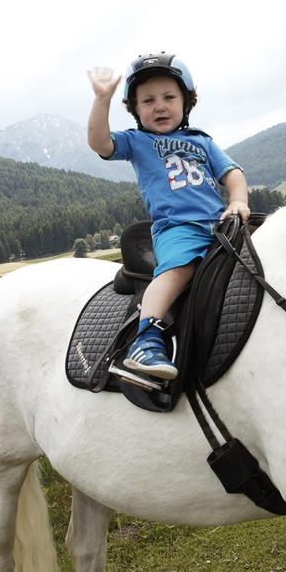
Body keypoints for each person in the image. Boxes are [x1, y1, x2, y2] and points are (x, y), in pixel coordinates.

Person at [87, 53, 250, 381]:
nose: (159, 106)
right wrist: (102, 100)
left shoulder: (202, 141)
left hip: (220, 224)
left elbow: (232, 173)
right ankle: (145, 339)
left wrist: (237, 201)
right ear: (135, 109)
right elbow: (99, 142)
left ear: (186, 102)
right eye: (147, 100)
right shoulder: (137, 142)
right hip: (178, 228)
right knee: (178, 270)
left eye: (168, 97)